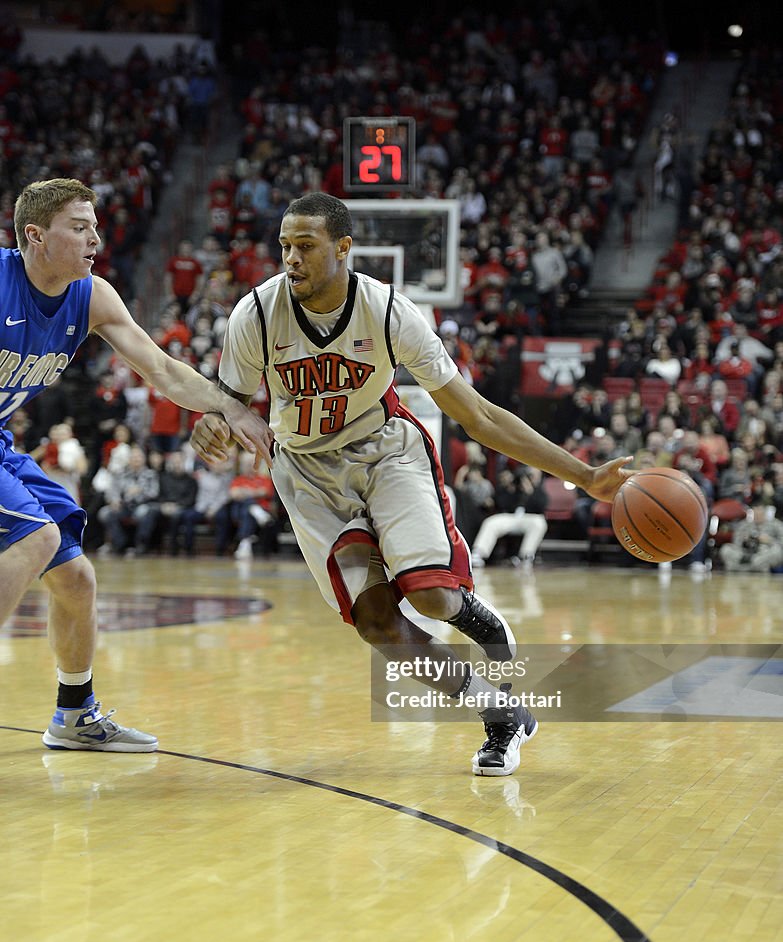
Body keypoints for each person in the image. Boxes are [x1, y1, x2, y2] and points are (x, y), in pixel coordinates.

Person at [190, 193, 631, 777]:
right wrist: (213, 425)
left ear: (343, 248)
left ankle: (473, 614)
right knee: (376, 624)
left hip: (385, 454)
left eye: (305, 247)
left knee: (430, 597)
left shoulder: (391, 311)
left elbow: (480, 417)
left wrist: (583, 474)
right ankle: (500, 714)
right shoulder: (255, 314)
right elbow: (231, 406)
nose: (290, 259)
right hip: (306, 471)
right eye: (284, 247)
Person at [0, 178, 272, 752]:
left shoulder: (92, 296)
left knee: (76, 579)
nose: (96, 237)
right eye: (79, 227)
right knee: (35, 539)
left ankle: (74, 715)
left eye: (95, 225)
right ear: (35, 236)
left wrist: (231, 408)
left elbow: (163, 370)